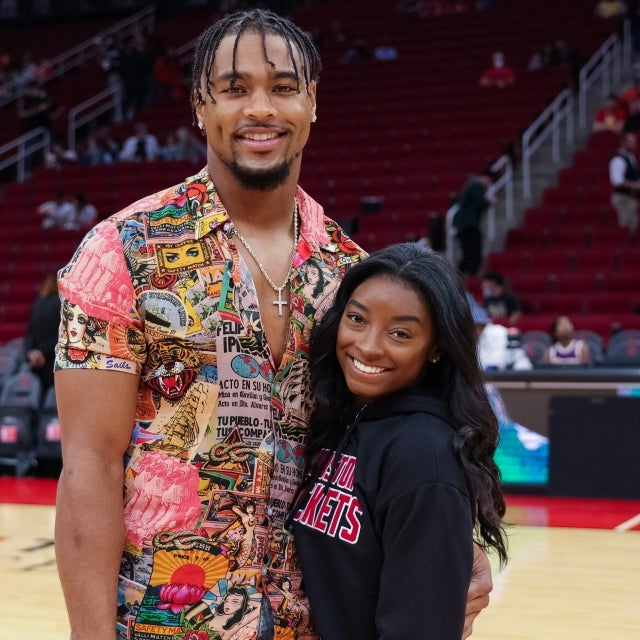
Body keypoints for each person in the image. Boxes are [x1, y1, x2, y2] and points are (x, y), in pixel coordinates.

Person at [53, 10, 493, 640]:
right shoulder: (123, 253)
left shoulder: (351, 275)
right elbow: (89, 462)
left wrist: (452, 540)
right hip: (163, 622)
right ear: (200, 108)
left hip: (316, 621)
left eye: (284, 87)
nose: (261, 107)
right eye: (234, 89)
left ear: (312, 103)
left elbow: (394, 444)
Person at [290, 243, 508, 639]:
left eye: (400, 333)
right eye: (357, 319)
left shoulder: (426, 457)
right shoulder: (341, 419)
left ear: (437, 348)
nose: (369, 346)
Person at [470, 294, 531, 371]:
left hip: (520, 372)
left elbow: (496, 363)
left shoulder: (497, 332)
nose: (470, 329)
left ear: (481, 324)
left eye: (473, 325)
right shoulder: (474, 337)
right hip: (501, 374)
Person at [23, 271, 62, 394]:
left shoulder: (38, 304)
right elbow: (63, 336)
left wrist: (32, 353)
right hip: (55, 362)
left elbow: (29, 335)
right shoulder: (63, 304)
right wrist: (43, 352)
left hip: (37, 364)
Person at [453, 170, 495, 276]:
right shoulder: (476, 186)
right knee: (474, 255)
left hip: (463, 226)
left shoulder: (469, 186)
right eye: (488, 180)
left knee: (467, 255)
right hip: (469, 225)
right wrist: (489, 202)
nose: (489, 184)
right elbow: (480, 202)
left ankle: (457, 277)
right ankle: (471, 278)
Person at [609, 131, 640, 238]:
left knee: (634, 224)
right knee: (627, 225)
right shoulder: (618, 160)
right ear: (624, 143)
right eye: (631, 141)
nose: (634, 143)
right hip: (623, 197)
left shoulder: (631, 158)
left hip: (631, 196)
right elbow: (617, 181)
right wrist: (635, 185)